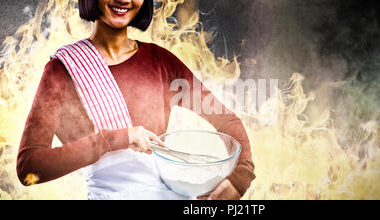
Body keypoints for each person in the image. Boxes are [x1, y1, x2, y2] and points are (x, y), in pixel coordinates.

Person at [16, 0, 255, 200]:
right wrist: (117, 138)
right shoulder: (63, 69)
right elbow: (29, 166)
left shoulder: (161, 62)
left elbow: (227, 120)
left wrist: (240, 177)